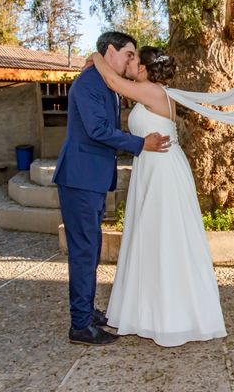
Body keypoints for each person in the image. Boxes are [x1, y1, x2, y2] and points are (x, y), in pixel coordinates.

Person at [91, 46, 227, 347]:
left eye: (134, 59)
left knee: (165, 238)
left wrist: (98, 56)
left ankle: (172, 317)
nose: (130, 62)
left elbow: (113, 82)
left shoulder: (152, 91)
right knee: (149, 238)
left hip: (163, 171)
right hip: (152, 167)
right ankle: (147, 313)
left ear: (144, 69)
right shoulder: (150, 89)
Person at [53, 32, 171, 346]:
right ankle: (80, 325)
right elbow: (98, 130)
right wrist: (140, 144)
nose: (132, 61)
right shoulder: (91, 83)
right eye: (129, 54)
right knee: (84, 251)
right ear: (110, 51)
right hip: (80, 178)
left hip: (90, 178)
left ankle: (86, 312)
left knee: (89, 249)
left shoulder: (104, 81)